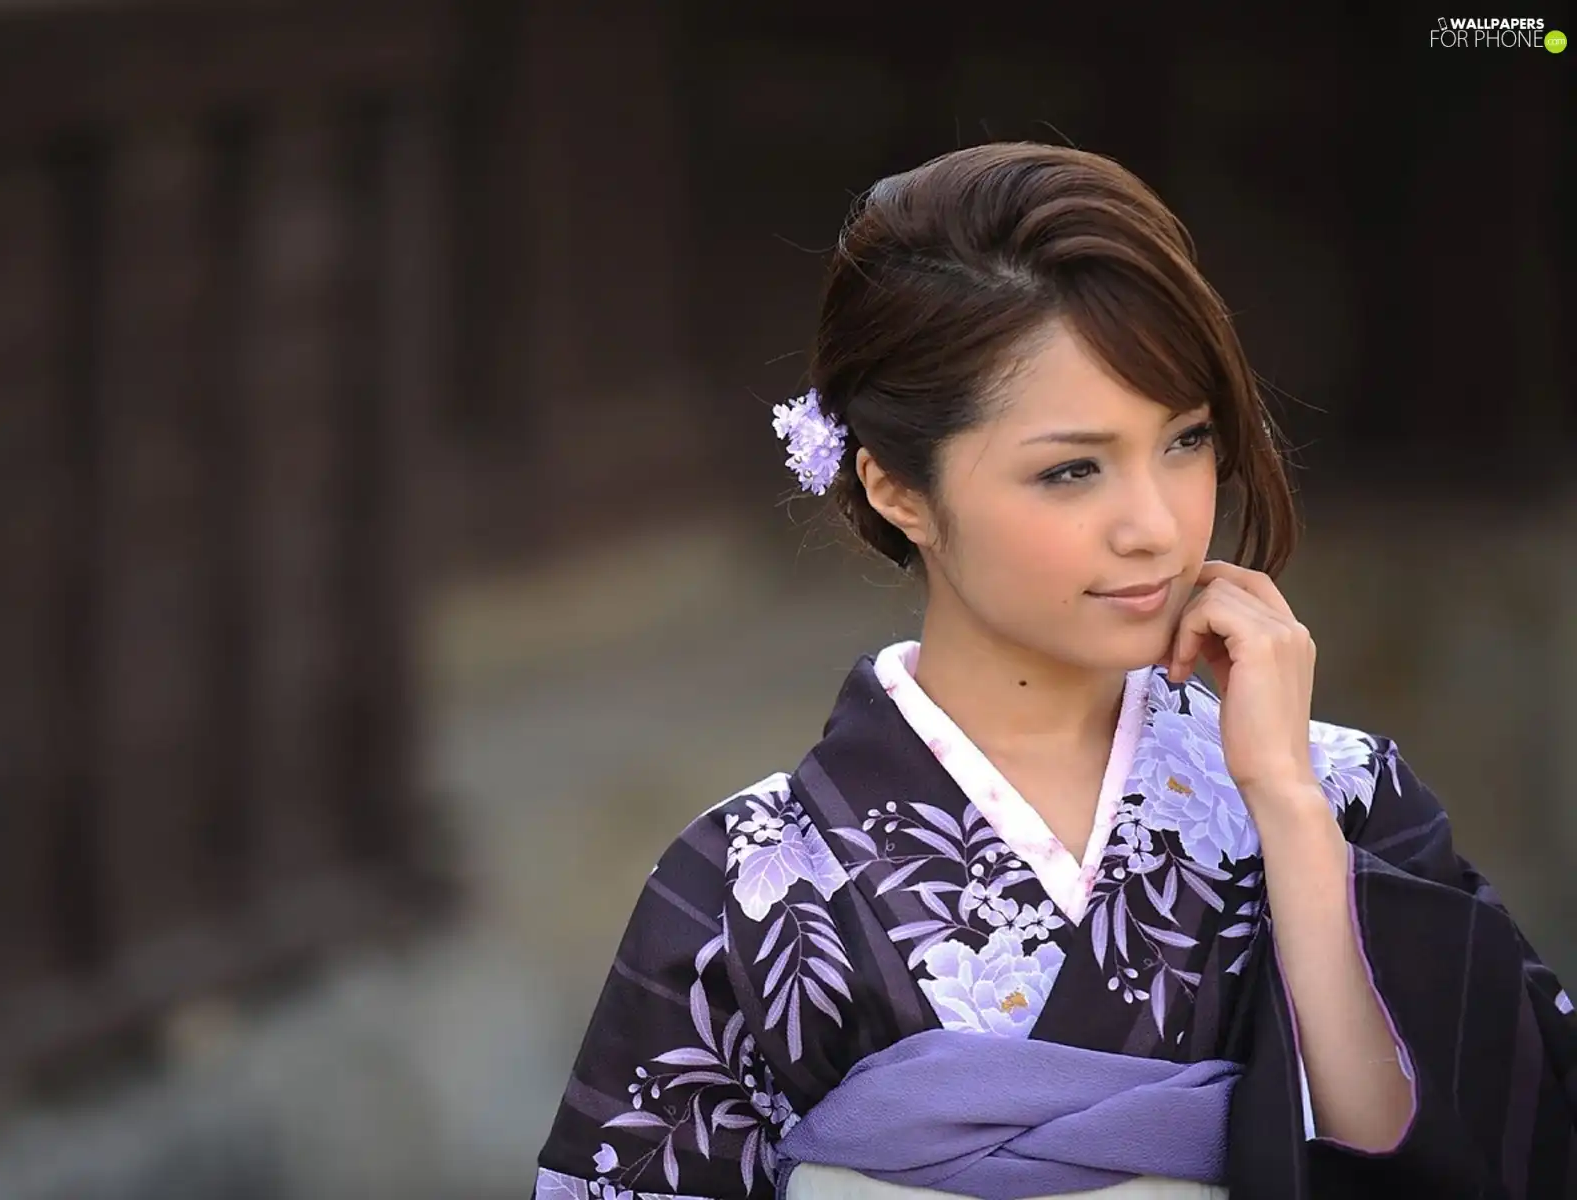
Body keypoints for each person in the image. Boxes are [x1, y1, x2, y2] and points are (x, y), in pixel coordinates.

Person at [529, 142, 1577, 1199]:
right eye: (1072, 470)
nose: (1156, 527)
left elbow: (1493, 1160)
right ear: (897, 489)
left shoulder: (1345, 797)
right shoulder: (749, 887)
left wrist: (1291, 816)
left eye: (1187, 441)